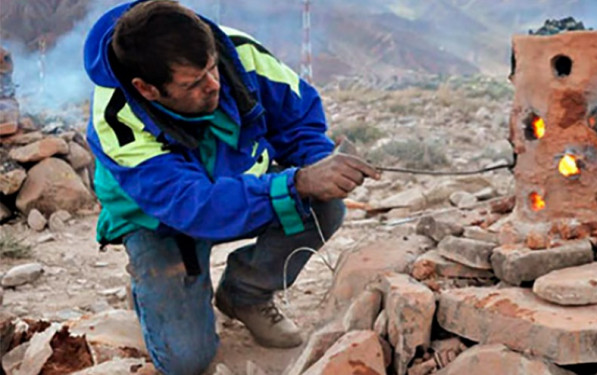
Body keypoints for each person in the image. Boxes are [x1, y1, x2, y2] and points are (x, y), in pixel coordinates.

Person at [83, 1, 379, 374]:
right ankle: (162, 285)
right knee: (186, 360)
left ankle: (245, 293)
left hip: (235, 184)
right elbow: (193, 206)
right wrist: (297, 183)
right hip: (161, 219)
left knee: (323, 205)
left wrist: (320, 166)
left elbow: (298, 122)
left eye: (212, 68)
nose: (215, 85)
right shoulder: (117, 120)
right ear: (147, 89)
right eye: (193, 83)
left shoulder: (236, 52)